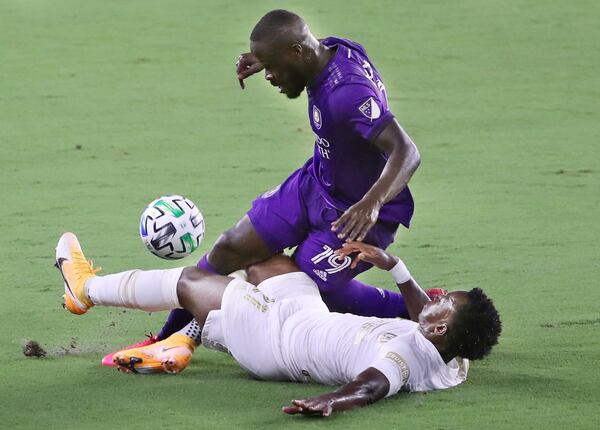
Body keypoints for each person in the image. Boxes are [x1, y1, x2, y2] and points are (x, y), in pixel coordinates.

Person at [102, 9, 422, 365]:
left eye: (272, 66)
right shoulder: (333, 49)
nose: (268, 75)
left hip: (355, 214)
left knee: (301, 287)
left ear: (297, 53)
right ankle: (164, 340)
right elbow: (299, 46)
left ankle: (415, 307)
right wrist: (265, 54)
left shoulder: (347, 95)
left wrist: (371, 203)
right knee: (230, 248)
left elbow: (407, 150)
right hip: (314, 184)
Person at [56, 232, 501, 416]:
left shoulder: (402, 358)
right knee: (264, 256)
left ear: (440, 329)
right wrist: (395, 266)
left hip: (276, 343)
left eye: (445, 303)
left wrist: (329, 402)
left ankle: (86, 289)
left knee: (193, 283)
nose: (437, 298)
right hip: (310, 318)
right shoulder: (454, 357)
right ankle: (183, 340)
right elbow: (420, 313)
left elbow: (371, 386)